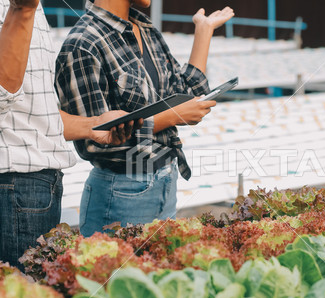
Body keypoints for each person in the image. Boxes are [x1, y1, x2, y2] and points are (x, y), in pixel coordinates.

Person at [55, 0, 234, 236]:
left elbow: (186, 94)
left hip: (166, 180)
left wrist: (204, 31)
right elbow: (94, 141)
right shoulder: (82, 44)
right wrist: (171, 117)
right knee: (116, 272)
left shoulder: (146, 30)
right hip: (121, 191)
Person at [0, 0, 141, 267]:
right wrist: (22, 10)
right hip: (14, 186)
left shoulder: (32, 8)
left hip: (36, 185)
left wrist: (94, 125)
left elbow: (34, 113)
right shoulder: (22, 7)